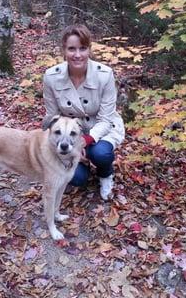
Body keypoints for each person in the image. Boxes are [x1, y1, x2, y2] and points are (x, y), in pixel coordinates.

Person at [42, 24, 125, 200]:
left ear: (89, 49)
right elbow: (52, 117)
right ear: (64, 50)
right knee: (78, 178)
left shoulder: (105, 74)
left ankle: (105, 174)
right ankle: (82, 165)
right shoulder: (51, 77)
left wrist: (84, 142)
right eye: (72, 49)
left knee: (101, 154)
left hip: (101, 128)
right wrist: (71, 145)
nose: (77, 55)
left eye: (83, 48)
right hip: (68, 133)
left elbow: (106, 118)